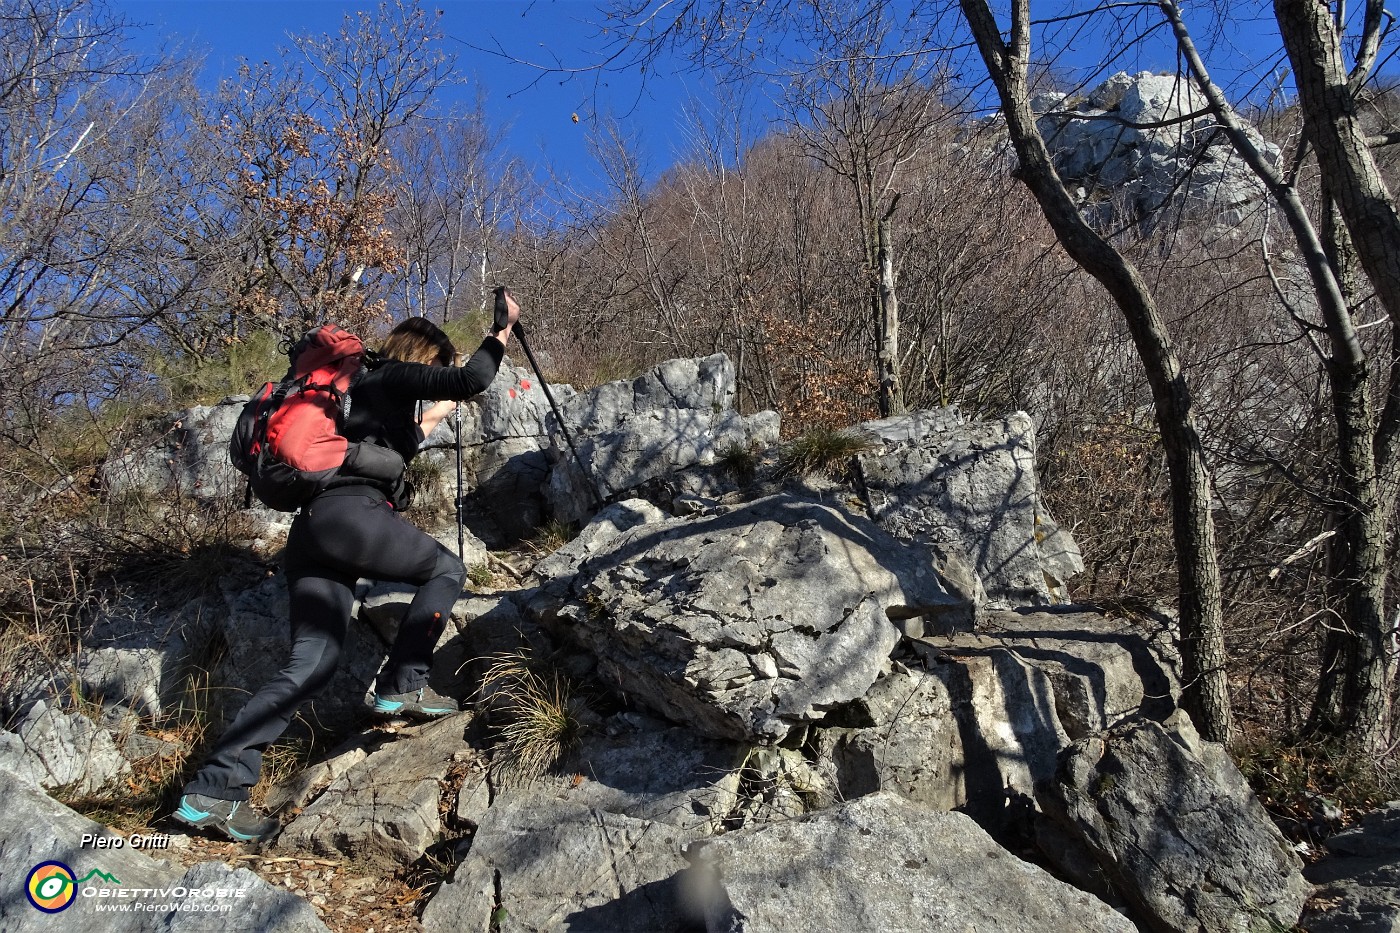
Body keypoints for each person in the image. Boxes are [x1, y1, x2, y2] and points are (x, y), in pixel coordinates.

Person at [173, 291, 521, 843]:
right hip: (352, 518)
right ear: (425, 358)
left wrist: (438, 411)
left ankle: (213, 791)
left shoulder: (355, 405)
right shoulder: (392, 377)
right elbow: (473, 379)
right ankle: (404, 682)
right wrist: (500, 333)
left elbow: (413, 432)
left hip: (312, 534)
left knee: (313, 662)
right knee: (447, 570)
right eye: (438, 367)